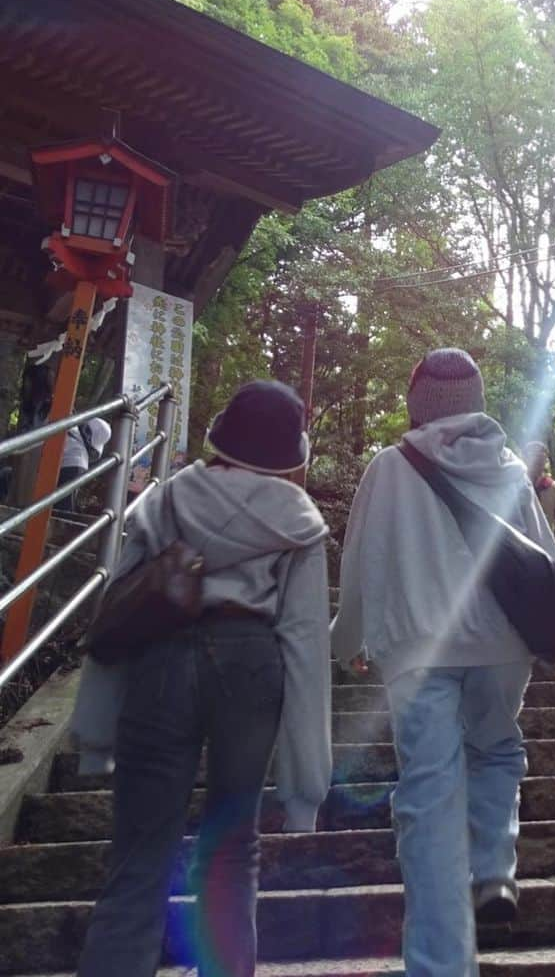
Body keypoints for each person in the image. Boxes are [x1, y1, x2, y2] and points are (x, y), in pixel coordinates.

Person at [332, 348, 555, 977]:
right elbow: (545, 565)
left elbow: (359, 562)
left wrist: (345, 647)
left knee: (428, 796)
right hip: (503, 650)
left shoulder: (389, 468)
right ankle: (495, 869)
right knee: (498, 749)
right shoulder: (507, 466)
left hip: (417, 653)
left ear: (417, 401)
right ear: (475, 401)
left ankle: (440, 965)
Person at [71, 380, 333, 977]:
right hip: (251, 661)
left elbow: (121, 613)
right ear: (288, 454)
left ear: (222, 438)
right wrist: (305, 787)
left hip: (161, 659)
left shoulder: (164, 501)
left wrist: (93, 736)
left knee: (139, 853)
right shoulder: (300, 522)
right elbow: (305, 644)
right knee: (233, 851)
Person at [57, 417, 112, 512]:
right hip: (75, 465)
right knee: (62, 508)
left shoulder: (69, 427)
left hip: (65, 464)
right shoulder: (79, 452)